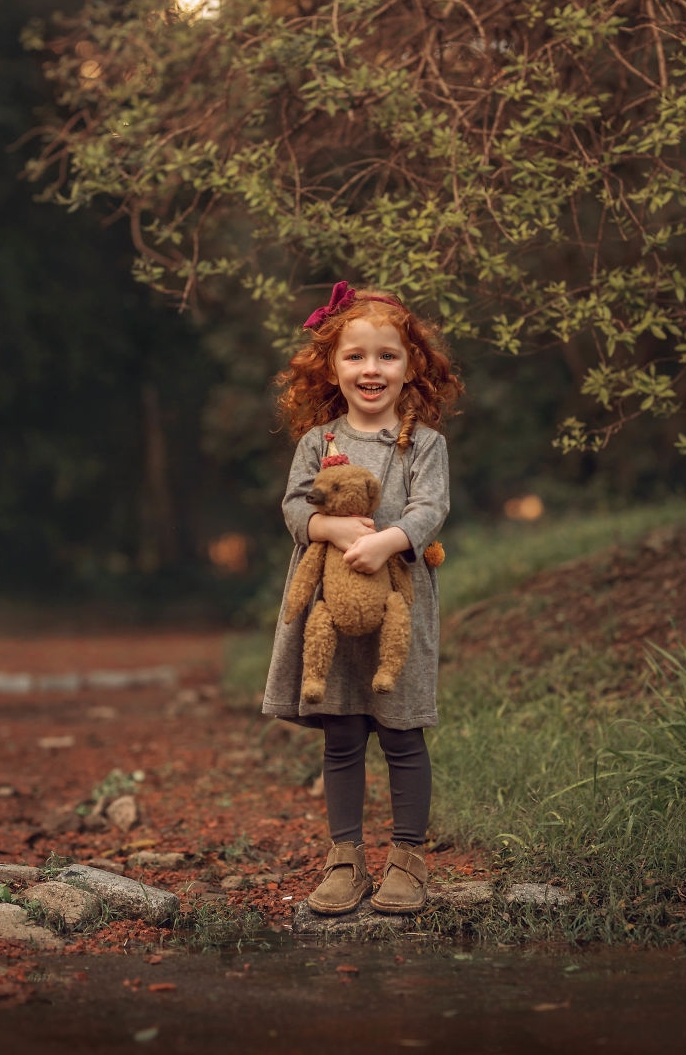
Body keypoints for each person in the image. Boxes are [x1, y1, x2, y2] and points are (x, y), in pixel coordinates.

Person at [262, 281, 463, 915]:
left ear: (412, 368)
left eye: (387, 356)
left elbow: (433, 507)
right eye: (355, 356)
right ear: (331, 365)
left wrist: (391, 540)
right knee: (342, 733)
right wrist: (332, 527)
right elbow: (296, 505)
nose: (370, 369)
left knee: (402, 733)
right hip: (330, 607)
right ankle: (345, 857)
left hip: (399, 609)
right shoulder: (318, 442)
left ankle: (407, 856)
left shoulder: (423, 445)